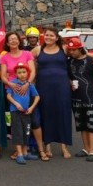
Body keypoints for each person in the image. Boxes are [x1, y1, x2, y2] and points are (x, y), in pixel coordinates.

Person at [0, 32, 49, 162]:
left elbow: (33, 71)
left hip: (28, 91)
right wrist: (10, 84)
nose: (13, 41)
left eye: (15, 39)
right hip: (13, 93)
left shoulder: (27, 54)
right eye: (10, 39)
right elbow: (3, 76)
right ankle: (20, 151)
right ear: (7, 42)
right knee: (17, 124)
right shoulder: (4, 57)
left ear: (19, 41)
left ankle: (41, 150)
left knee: (35, 122)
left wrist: (28, 83)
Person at [31, 27, 72, 159]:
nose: (48, 37)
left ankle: (64, 147)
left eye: (51, 36)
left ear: (57, 38)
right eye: (46, 35)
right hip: (43, 87)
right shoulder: (38, 50)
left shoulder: (64, 49)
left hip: (62, 87)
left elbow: (81, 53)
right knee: (46, 115)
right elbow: (23, 58)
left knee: (63, 114)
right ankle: (47, 146)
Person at [67, 38, 93, 162]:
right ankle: (86, 148)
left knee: (91, 124)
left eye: (74, 50)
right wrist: (70, 83)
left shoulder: (91, 61)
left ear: (80, 48)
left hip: (91, 96)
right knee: (81, 124)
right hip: (76, 97)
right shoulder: (69, 61)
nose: (71, 52)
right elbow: (69, 76)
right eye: (70, 50)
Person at [6, 63, 40, 165]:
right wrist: (16, 104)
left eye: (24, 72)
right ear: (16, 74)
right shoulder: (13, 83)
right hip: (15, 111)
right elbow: (8, 96)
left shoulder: (30, 85)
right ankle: (19, 154)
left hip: (26, 112)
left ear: (28, 73)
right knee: (17, 132)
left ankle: (25, 153)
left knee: (26, 132)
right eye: (19, 72)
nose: (22, 74)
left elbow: (37, 96)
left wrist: (31, 107)